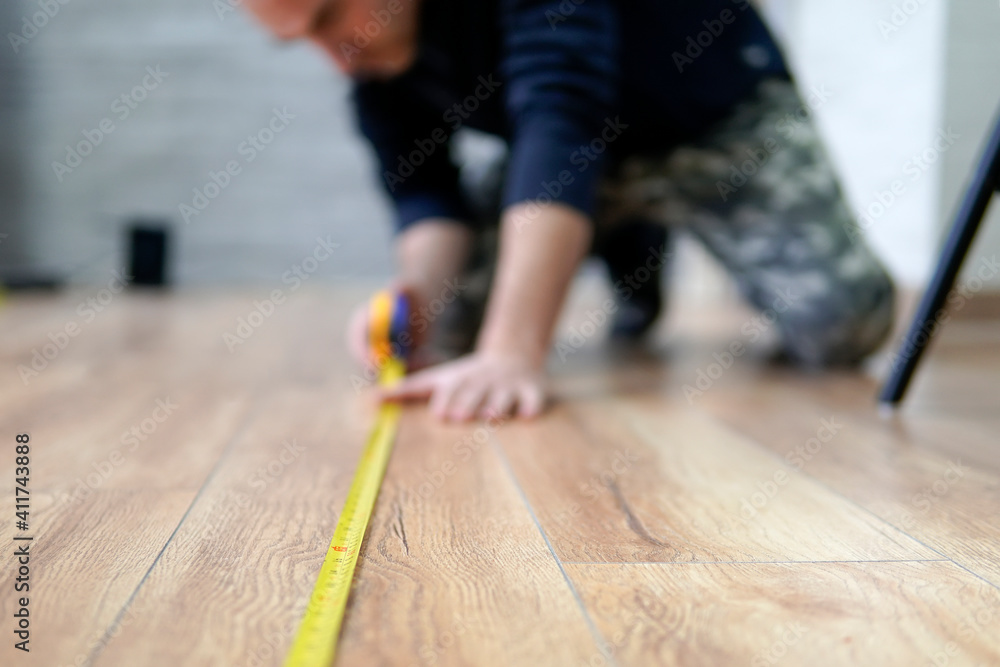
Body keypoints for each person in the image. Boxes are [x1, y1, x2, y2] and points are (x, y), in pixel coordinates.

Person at [245, 0, 895, 422]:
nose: (333, 57)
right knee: (446, 336)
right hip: (572, 164)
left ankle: (636, 236)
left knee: (841, 330)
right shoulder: (372, 66)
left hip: (719, 127)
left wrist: (513, 351)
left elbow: (564, 117)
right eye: (298, 39)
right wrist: (416, 299)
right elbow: (425, 194)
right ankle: (630, 242)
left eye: (330, 17)